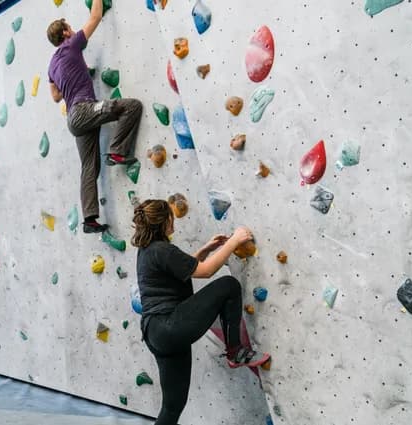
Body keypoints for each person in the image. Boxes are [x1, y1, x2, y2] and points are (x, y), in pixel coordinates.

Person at [132, 199, 270, 425]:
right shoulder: (163, 250)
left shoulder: (147, 251)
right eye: (171, 217)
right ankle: (235, 351)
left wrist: (206, 250)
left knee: (172, 406)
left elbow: (183, 269)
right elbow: (205, 272)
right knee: (228, 285)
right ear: (164, 221)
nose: (173, 221)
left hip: (156, 334)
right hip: (169, 325)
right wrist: (234, 241)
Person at [46, 0, 143, 234]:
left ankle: (89, 219)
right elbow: (95, 17)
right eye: (70, 28)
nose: (72, 31)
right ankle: (118, 151)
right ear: (65, 33)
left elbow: (56, 97)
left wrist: (73, 77)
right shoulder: (72, 45)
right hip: (85, 109)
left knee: (89, 166)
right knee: (131, 106)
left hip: (74, 120)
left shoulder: (51, 66)